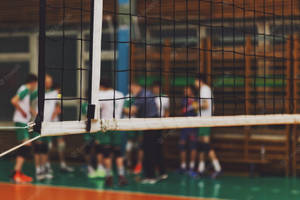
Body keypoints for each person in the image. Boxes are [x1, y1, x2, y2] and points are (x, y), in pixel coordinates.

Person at [123, 81, 166, 184]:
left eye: (131, 89)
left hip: (150, 125)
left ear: (135, 86)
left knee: (148, 150)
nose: (131, 91)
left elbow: (131, 111)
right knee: (156, 149)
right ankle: (162, 173)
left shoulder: (142, 96)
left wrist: (121, 108)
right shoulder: (147, 93)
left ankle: (150, 177)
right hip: (155, 123)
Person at [93, 79, 127, 186]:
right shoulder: (120, 94)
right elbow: (124, 109)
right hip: (117, 126)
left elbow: (97, 110)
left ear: (102, 86)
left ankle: (109, 176)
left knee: (106, 153)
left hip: (105, 126)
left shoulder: (101, 95)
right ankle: (121, 176)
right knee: (118, 153)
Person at [11, 74, 37, 183]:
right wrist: (22, 111)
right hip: (20, 121)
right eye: (36, 84)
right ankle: (16, 173)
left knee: (25, 146)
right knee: (26, 146)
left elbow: (24, 104)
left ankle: (17, 172)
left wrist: (32, 112)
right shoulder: (25, 89)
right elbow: (14, 101)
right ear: (32, 82)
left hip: (24, 122)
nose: (36, 86)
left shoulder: (25, 90)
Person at [194, 74, 221, 178]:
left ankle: (218, 168)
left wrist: (196, 106)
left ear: (199, 81)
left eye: (195, 81)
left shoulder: (204, 89)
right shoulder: (206, 89)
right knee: (201, 145)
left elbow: (206, 105)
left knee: (206, 145)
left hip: (204, 121)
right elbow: (213, 107)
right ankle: (201, 169)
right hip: (203, 121)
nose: (194, 83)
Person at [179, 85, 198, 176]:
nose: (185, 91)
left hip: (193, 126)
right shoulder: (184, 100)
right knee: (182, 145)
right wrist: (191, 105)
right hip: (184, 125)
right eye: (184, 89)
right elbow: (183, 110)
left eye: (187, 89)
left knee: (192, 146)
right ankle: (183, 167)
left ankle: (191, 167)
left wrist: (195, 104)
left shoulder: (197, 99)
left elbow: (198, 108)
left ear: (191, 91)